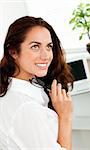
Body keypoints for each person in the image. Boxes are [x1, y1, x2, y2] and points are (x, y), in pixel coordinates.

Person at [0, 16, 73, 150]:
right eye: (35, 46)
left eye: (49, 46)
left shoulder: (13, 88)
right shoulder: (27, 108)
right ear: (13, 52)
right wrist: (65, 117)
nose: (46, 56)